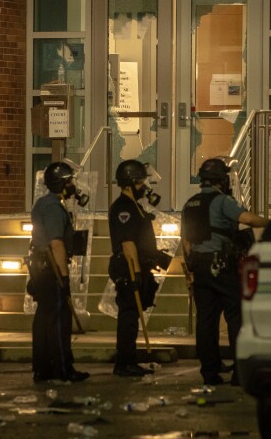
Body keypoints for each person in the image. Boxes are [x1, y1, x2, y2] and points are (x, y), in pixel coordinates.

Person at [182, 158, 268, 386]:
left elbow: (186, 241)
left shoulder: (190, 203)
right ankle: (240, 372)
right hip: (221, 266)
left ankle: (209, 372)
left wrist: (189, 270)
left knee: (206, 320)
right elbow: (247, 219)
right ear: (222, 180)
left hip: (199, 266)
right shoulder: (222, 201)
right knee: (235, 316)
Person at [27, 161, 90, 383]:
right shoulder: (54, 207)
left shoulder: (43, 204)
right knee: (59, 320)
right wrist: (63, 277)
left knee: (44, 319)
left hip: (41, 268)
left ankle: (42, 368)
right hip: (51, 269)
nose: (73, 184)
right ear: (63, 183)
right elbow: (56, 244)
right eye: (70, 180)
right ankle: (63, 368)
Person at [108, 159, 161, 378]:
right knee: (128, 317)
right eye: (140, 183)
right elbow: (128, 243)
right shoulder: (124, 208)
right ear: (129, 183)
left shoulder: (134, 206)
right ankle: (125, 362)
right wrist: (136, 273)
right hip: (128, 267)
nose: (144, 187)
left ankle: (129, 358)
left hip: (138, 265)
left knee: (132, 316)